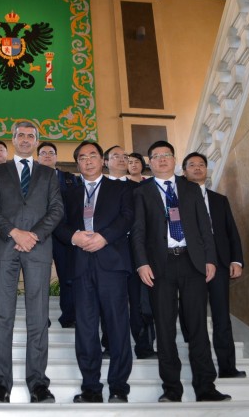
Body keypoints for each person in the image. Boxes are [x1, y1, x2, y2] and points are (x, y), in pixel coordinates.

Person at [131, 140, 230, 403]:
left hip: (192, 263)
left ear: (174, 160)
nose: (162, 159)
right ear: (149, 162)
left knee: (198, 326)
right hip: (160, 266)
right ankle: (172, 389)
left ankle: (206, 387)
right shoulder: (141, 192)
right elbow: (138, 232)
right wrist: (142, 263)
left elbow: (204, 226)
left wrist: (210, 259)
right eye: (156, 156)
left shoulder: (190, 188)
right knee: (164, 328)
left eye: (166, 155)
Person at [0, 121, 64, 404]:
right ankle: (1, 385)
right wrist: (14, 232)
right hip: (5, 246)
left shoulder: (49, 173)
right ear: (13, 139)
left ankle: (38, 384)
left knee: (38, 318)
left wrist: (34, 235)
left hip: (38, 249)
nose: (26, 139)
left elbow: (56, 210)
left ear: (38, 141)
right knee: (2, 315)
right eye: (21, 135)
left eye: (31, 135)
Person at [55, 141, 134, 403]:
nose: (87, 161)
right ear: (77, 163)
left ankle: (119, 388)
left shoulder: (120, 188)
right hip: (81, 266)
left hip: (111, 263)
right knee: (86, 328)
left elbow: (127, 218)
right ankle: (91, 387)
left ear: (103, 160)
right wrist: (74, 237)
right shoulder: (70, 194)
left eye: (92, 156)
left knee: (117, 326)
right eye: (81, 157)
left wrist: (105, 237)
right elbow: (59, 225)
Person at [182, 152, 246, 379]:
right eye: (192, 165)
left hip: (219, 264)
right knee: (193, 317)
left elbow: (231, 233)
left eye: (201, 165)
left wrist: (236, 260)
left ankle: (228, 367)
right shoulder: (177, 199)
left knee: (221, 316)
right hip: (191, 266)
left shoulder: (220, 200)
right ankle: (200, 365)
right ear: (184, 171)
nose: (198, 168)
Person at [101, 145, 153, 360]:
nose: (122, 159)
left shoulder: (140, 188)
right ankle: (111, 346)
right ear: (106, 161)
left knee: (142, 301)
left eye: (125, 156)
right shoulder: (98, 187)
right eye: (116, 156)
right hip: (107, 251)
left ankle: (145, 346)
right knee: (110, 300)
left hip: (136, 251)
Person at [37, 141, 80, 328]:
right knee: (39, 277)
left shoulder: (70, 178)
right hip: (39, 235)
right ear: (37, 158)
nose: (47, 155)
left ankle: (69, 316)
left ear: (56, 156)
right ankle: (40, 317)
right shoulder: (29, 179)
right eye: (43, 153)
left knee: (67, 276)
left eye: (51, 152)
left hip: (64, 235)